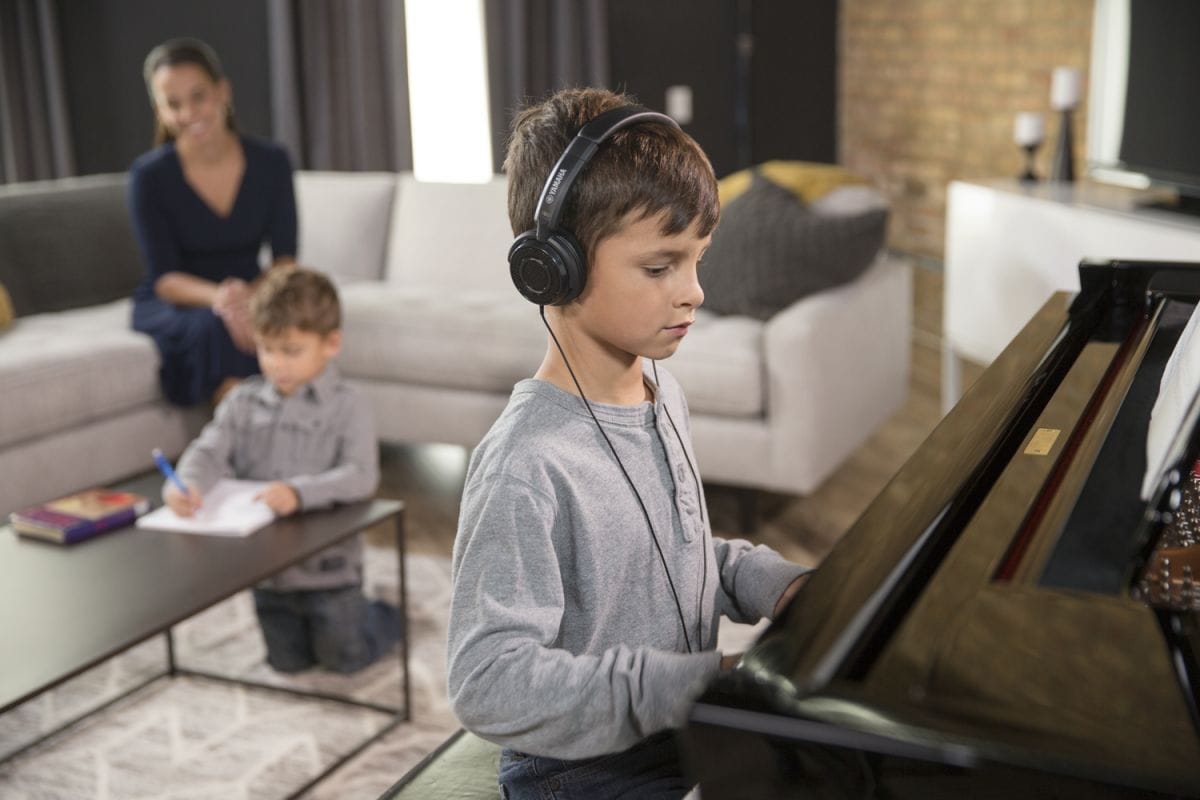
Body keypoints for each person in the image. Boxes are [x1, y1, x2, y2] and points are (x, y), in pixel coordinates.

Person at [446, 87, 811, 799]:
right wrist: (694, 684)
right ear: (554, 267)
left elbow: (662, 559)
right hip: (584, 771)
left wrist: (774, 583)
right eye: (660, 266)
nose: (694, 292)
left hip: (676, 732)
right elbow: (486, 681)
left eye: (697, 260)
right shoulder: (527, 460)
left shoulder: (659, 391)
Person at [163, 266, 400, 674]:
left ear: (331, 343)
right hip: (269, 574)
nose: (277, 363)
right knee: (287, 664)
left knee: (345, 659)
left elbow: (362, 476)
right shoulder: (242, 401)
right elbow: (209, 449)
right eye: (266, 349)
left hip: (329, 573)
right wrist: (186, 482)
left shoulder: (350, 404)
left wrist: (299, 491)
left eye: (291, 350)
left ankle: (384, 612)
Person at [129, 37, 297, 407]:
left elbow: (285, 260)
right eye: (173, 104)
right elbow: (165, 279)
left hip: (252, 288)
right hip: (181, 301)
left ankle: (266, 434)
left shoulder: (272, 162)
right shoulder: (148, 177)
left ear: (223, 92)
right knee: (213, 326)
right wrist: (222, 299)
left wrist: (250, 298)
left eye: (198, 96)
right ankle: (254, 437)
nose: (189, 113)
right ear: (160, 111)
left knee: (294, 317)